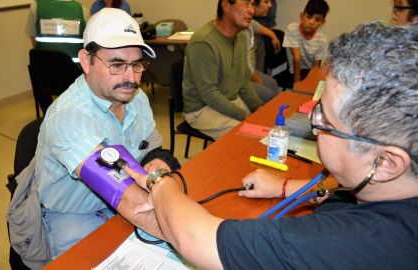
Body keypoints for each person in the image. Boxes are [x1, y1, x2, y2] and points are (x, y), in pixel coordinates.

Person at [125, 21, 418, 269]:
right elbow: (337, 193)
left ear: (386, 163)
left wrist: (159, 181)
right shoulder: (392, 195)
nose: (314, 122)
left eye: (323, 119)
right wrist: (284, 187)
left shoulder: (352, 242)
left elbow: (198, 239)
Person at [11, 8, 180, 267]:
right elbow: (124, 196)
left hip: (124, 200)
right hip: (73, 214)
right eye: (117, 64)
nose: (131, 77)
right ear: (86, 61)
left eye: (137, 64)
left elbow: (154, 149)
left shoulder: (137, 99)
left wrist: (158, 163)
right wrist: (192, 240)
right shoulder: (69, 116)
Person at [182, 0, 264, 140]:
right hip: (202, 110)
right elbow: (209, 94)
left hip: (229, 100)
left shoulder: (241, 37)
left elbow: (243, 81)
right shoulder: (204, 42)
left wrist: (258, 107)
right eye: (246, 3)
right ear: (226, 5)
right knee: (252, 139)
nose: (251, 10)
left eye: (252, 4)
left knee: (266, 128)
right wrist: (244, 116)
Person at [25, 0, 90, 114]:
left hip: (44, 77)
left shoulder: (36, 7)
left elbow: (33, 41)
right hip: (73, 78)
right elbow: (89, 45)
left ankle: (48, 116)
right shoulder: (82, 11)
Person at [282, 0, 329, 82]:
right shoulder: (292, 29)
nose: (311, 22)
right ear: (302, 16)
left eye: (317, 20)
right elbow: (296, 58)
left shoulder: (322, 40)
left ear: (322, 22)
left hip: (310, 71)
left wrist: (307, 82)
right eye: (308, 17)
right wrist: (298, 83)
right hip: (295, 71)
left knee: (325, 83)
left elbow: (316, 66)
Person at [246, 0, 280, 94]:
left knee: (273, 83)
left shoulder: (250, 23)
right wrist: (259, 82)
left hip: (251, 72)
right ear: (254, 5)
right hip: (244, 76)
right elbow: (246, 65)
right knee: (268, 93)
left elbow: (255, 25)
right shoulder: (242, 29)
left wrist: (272, 35)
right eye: (266, 1)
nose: (270, 5)